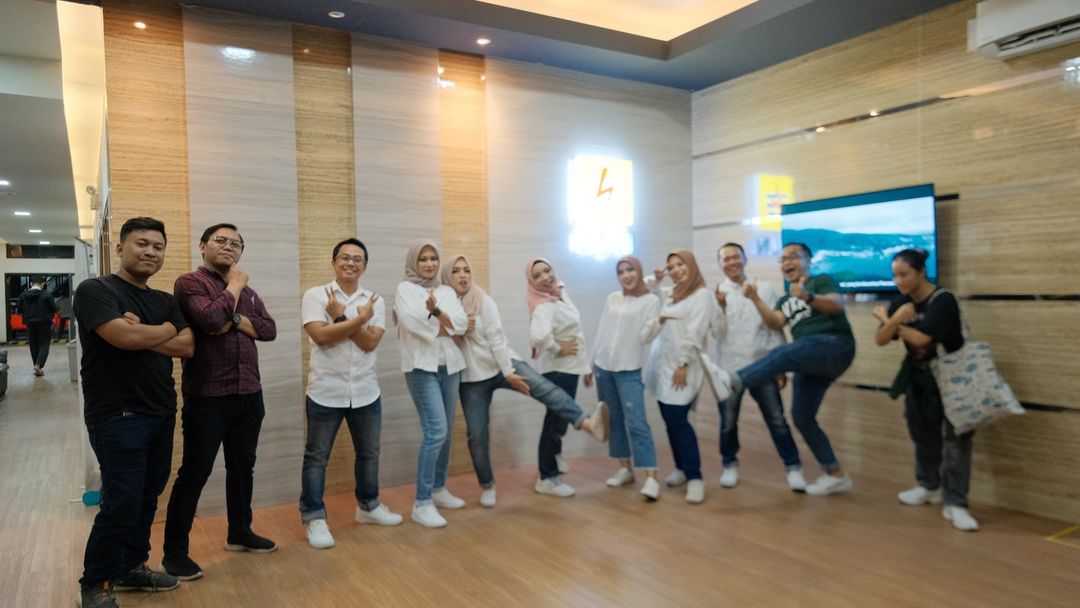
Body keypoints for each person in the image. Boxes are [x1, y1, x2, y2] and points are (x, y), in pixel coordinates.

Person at [74, 217, 194, 608]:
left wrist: (144, 331)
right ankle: (96, 582)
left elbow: (188, 347)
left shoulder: (164, 301)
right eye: (142, 243)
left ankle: (131, 567)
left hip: (161, 411)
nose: (151, 252)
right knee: (121, 502)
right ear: (120, 247)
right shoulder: (96, 290)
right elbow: (122, 337)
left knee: (147, 496)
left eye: (158, 247)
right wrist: (163, 331)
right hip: (117, 414)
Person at [162, 223, 278, 581]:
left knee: (243, 468)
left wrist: (235, 318)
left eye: (236, 243)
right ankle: (174, 554)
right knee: (195, 472)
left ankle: (239, 532)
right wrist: (236, 287)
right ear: (203, 246)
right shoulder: (190, 283)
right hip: (207, 397)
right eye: (221, 241)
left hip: (249, 393)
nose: (229, 247)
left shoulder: (250, 293)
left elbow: (269, 329)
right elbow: (210, 320)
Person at [446, 254, 607, 507]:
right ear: (448, 277)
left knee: (546, 390)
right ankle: (487, 485)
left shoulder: (483, 300)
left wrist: (508, 371)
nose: (463, 275)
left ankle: (587, 423)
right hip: (472, 378)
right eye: (456, 271)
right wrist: (456, 325)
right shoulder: (446, 307)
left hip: (504, 363)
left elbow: (497, 339)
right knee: (477, 436)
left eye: (466, 269)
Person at [711, 243, 855, 496]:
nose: (787, 262)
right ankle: (835, 474)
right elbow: (775, 322)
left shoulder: (819, 281)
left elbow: (836, 305)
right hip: (792, 360)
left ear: (808, 260)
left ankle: (733, 381)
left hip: (828, 346)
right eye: (783, 259)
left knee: (778, 415)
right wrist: (751, 300)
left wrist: (807, 297)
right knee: (801, 417)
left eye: (793, 257)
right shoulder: (782, 298)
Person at [299, 238, 402, 549]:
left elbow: (370, 343)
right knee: (316, 458)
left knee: (369, 454)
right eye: (344, 257)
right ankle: (314, 517)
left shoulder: (374, 300)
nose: (350, 263)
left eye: (357, 259)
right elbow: (321, 336)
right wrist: (360, 320)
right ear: (334, 263)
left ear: (364, 267)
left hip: (366, 391)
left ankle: (368, 506)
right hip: (325, 390)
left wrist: (341, 318)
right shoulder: (316, 295)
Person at [873, 248, 978, 531]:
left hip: (954, 377)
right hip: (919, 377)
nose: (899, 281)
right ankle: (929, 486)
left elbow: (921, 339)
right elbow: (880, 339)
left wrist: (889, 321)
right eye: (895, 275)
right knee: (921, 432)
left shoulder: (942, 300)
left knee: (957, 440)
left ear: (921, 272)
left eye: (904, 274)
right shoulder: (901, 302)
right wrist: (894, 320)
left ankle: (956, 503)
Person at [711, 243, 806, 491]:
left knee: (777, 420)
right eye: (726, 259)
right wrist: (720, 307)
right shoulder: (718, 293)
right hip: (730, 368)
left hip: (762, 365)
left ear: (745, 259)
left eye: (736, 257)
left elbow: (774, 328)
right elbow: (717, 335)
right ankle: (729, 464)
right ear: (720, 264)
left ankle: (793, 467)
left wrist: (779, 365)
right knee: (727, 422)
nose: (732, 262)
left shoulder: (764, 288)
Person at [394, 240, 468, 528]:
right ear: (414, 262)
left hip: (450, 366)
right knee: (436, 431)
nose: (429, 264)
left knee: (445, 432)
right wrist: (445, 326)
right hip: (420, 368)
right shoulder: (405, 289)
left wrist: (438, 315)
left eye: (433, 258)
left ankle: (438, 489)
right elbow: (411, 323)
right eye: (423, 259)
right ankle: (422, 503)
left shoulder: (446, 291)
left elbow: (461, 324)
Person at [645, 250, 715, 504]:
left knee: (678, 419)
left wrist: (683, 362)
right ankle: (681, 468)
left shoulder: (702, 295)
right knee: (669, 419)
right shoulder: (672, 295)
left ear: (691, 265)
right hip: (662, 367)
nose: (676, 270)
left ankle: (695, 477)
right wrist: (657, 278)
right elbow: (649, 290)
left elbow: (696, 332)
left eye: (680, 264)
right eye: (671, 267)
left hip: (684, 367)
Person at [590, 255, 662, 500]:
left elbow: (645, 337)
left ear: (639, 272)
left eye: (630, 270)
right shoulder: (613, 298)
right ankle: (625, 469)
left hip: (629, 369)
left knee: (637, 422)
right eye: (620, 272)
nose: (626, 275)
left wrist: (659, 323)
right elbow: (602, 331)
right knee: (614, 420)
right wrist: (590, 363)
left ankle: (651, 477)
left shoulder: (651, 301)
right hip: (603, 368)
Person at [526, 258, 597, 497]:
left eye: (547, 270)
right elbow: (537, 336)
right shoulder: (543, 305)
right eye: (537, 275)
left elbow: (577, 331)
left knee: (560, 421)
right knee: (554, 422)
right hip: (557, 369)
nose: (545, 277)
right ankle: (546, 477)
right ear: (531, 282)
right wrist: (558, 348)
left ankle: (554, 457)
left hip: (570, 367)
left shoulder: (559, 292)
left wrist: (585, 366)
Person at [17, 275, 56, 377]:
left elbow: (19, 310)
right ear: (42, 284)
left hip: (29, 323)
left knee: (33, 344)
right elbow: (54, 308)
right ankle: (38, 365)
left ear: (31, 284)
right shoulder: (46, 295)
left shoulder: (23, 295)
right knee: (44, 344)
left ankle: (36, 365)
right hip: (44, 323)